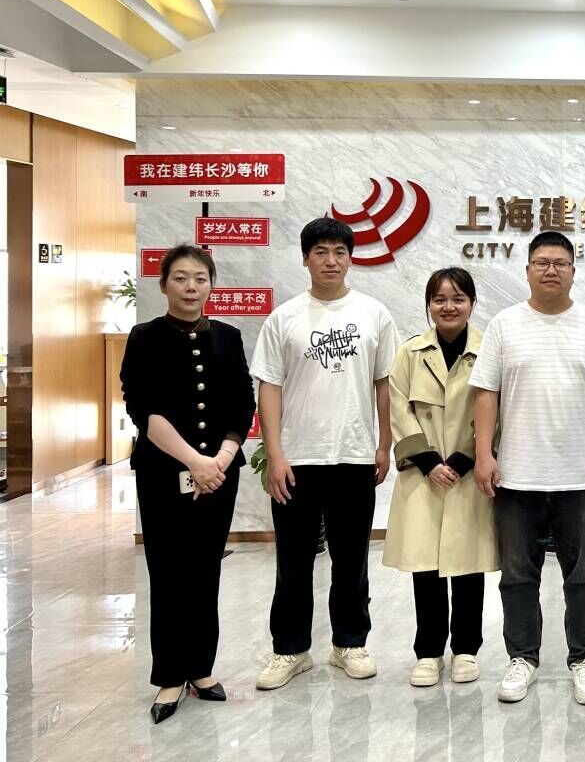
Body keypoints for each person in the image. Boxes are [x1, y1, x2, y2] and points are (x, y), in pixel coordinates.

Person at [251, 217, 399, 691]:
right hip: (297, 458)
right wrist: (274, 454)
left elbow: (385, 384)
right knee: (293, 560)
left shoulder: (374, 314)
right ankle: (290, 650)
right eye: (320, 252)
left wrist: (384, 443)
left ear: (351, 258)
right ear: (305, 258)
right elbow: (269, 388)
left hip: (354, 456)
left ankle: (349, 643)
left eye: (339, 252)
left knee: (351, 559)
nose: (330, 261)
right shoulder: (285, 318)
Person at [469, 230, 585, 706]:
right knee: (517, 575)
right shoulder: (505, 324)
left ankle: (584, 658)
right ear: (527, 270)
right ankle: (522, 658)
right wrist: (485, 453)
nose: (551, 270)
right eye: (541, 262)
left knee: (584, 575)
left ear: (573, 271)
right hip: (517, 474)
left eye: (560, 263)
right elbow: (486, 393)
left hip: (579, 474)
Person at [121, 245, 255, 724]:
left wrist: (220, 460)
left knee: (204, 570)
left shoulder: (229, 337)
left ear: (211, 284)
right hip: (164, 475)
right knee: (167, 572)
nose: (191, 287)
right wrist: (195, 461)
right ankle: (169, 676)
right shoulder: (144, 337)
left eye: (200, 278)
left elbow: (243, 404)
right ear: (164, 285)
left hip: (219, 475)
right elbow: (144, 409)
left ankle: (201, 668)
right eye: (180, 278)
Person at [384, 267, 497, 687]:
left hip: (469, 473)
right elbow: (398, 407)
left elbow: (498, 407)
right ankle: (428, 652)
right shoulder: (410, 353)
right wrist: (429, 461)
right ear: (429, 305)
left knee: (468, 566)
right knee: (426, 568)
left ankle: (466, 649)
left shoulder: (489, 351)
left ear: (472, 303)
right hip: (424, 474)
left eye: (458, 299)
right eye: (440, 299)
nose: (449, 307)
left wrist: (468, 458)